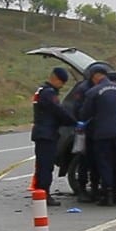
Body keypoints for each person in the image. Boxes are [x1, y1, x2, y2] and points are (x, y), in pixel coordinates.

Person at [79, 63, 116, 206]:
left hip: (103, 133)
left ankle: (107, 195)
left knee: (105, 164)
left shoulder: (93, 92)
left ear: (96, 77)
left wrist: (83, 123)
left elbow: (85, 113)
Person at [31, 67, 78, 206]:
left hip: (43, 133)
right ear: (55, 78)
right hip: (46, 134)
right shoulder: (48, 93)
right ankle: (43, 195)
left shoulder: (42, 90)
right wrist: (74, 122)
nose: (62, 86)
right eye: (62, 82)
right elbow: (58, 111)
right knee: (45, 166)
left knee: (42, 166)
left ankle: (40, 193)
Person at [69, 74, 100, 203]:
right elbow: (77, 109)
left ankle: (94, 189)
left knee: (95, 161)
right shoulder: (83, 89)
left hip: (97, 130)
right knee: (84, 161)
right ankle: (82, 189)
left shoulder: (96, 87)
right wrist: (82, 122)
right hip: (85, 130)